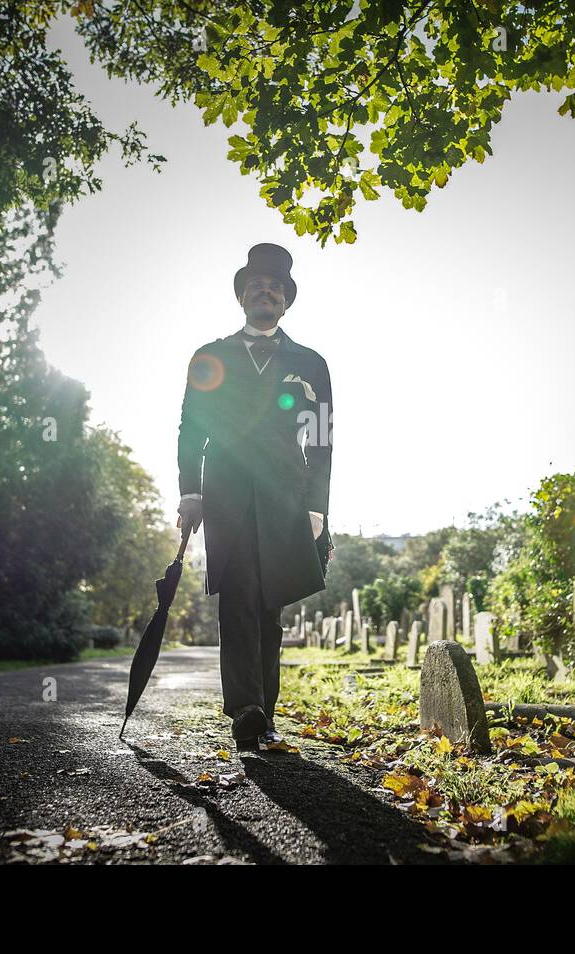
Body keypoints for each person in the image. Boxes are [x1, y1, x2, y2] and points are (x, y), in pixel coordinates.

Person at [176, 242, 333, 750]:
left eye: (275, 287)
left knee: (270, 605)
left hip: (287, 500)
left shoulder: (311, 363)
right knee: (238, 596)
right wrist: (190, 492)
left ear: (286, 300)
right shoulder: (210, 356)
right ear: (242, 296)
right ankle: (245, 709)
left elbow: (323, 437)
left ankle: (264, 711)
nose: (265, 292)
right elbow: (189, 429)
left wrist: (317, 508)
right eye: (256, 285)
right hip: (225, 495)